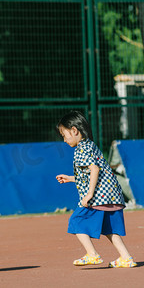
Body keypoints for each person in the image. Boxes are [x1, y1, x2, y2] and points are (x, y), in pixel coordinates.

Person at [55, 111, 137, 268]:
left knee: (76, 220)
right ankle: (126, 257)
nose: (64, 140)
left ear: (74, 130)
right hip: (112, 195)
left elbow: (94, 170)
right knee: (109, 229)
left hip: (98, 196)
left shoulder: (81, 149)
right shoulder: (90, 145)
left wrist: (89, 194)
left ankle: (92, 254)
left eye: (65, 135)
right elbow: (93, 172)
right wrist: (71, 178)